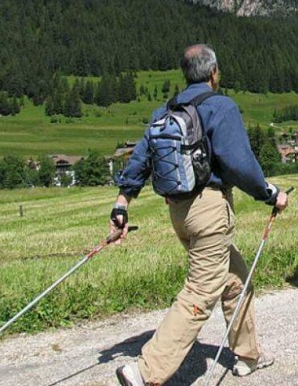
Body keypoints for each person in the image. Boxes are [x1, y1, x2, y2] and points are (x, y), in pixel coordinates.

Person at [111, 45, 289, 386]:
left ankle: (248, 355)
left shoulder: (164, 112)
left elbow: (140, 160)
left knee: (236, 279)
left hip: (179, 212)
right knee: (201, 290)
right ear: (214, 73)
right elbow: (239, 163)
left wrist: (122, 203)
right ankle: (146, 371)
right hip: (209, 211)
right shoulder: (220, 106)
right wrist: (270, 194)